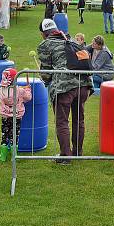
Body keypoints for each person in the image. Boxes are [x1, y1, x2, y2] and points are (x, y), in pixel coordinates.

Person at [37, 19, 92, 162]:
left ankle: (65, 156)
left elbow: (46, 73)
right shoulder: (70, 40)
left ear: (44, 33)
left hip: (64, 88)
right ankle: (78, 152)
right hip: (83, 85)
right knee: (79, 120)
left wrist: (46, 79)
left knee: (62, 122)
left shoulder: (45, 45)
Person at [0, 68, 32, 162]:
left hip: (5, 117)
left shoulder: (0, 90)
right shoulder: (20, 91)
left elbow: (10, 92)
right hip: (16, 117)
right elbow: (28, 98)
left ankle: (3, 156)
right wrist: (28, 89)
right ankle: (14, 157)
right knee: (14, 135)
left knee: (5, 134)